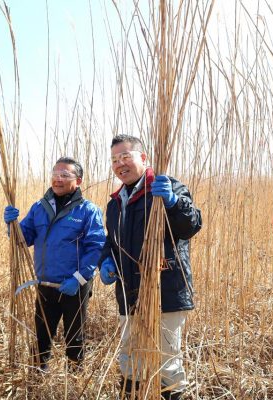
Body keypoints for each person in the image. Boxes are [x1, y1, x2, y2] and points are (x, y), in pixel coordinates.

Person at [98, 135, 202, 400]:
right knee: (130, 357)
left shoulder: (167, 187)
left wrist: (173, 203)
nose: (120, 164)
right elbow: (111, 242)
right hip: (129, 293)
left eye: (125, 157)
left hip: (165, 292)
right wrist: (106, 261)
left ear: (143, 158)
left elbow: (191, 226)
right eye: (114, 160)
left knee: (168, 362)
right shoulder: (115, 203)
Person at [3, 157, 105, 371]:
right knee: (41, 335)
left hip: (74, 286)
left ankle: (75, 378)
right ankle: (37, 376)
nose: (58, 179)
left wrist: (78, 278)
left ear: (78, 181)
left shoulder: (88, 211)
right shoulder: (39, 208)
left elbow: (95, 247)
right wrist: (12, 226)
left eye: (64, 175)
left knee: (74, 337)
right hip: (45, 284)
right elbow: (24, 239)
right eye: (55, 174)